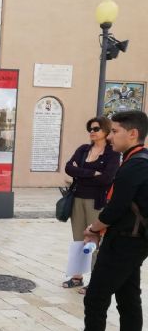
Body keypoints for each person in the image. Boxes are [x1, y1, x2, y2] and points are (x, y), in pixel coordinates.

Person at [52, 111, 148, 331]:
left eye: (115, 131)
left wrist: (94, 228)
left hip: (124, 242)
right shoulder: (137, 160)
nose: (111, 135)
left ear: (133, 133)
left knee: (95, 297)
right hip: (134, 240)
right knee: (129, 299)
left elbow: (117, 206)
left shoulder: (134, 164)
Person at [63, 117, 119, 293]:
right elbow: (68, 168)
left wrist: (81, 174)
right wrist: (92, 173)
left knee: (94, 241)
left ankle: (95, 281)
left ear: (106, 130)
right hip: (77, 199)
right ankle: (77, 277)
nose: (92, 132)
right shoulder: (83, 149)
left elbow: (107, 178)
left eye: (96, 128)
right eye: (90, 129)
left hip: (97, 202)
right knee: (79, 239)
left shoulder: (112, 153)